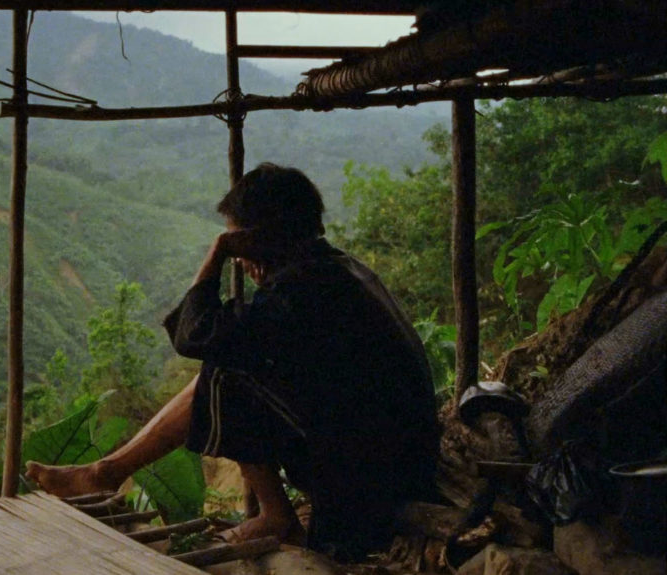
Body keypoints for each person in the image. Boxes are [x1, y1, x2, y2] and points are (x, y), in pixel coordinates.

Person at [26, 163, 440, 560]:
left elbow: (195, 335)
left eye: (239, 241)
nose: (240, 258)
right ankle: (106, 473)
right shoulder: (330, 269)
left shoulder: (301, 293)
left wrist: (217, 253)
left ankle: (274, 516)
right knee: (230, 361)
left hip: (375, 480)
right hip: (400, 460)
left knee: (226, 372)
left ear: (260, 238)